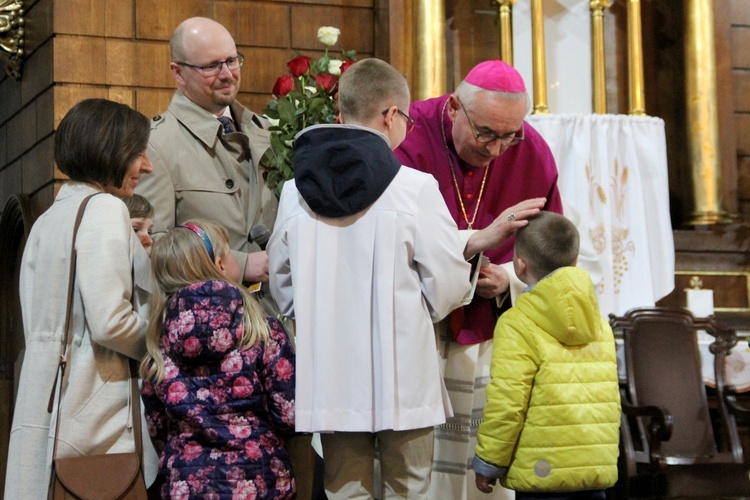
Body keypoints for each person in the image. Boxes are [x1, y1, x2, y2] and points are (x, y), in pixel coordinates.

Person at [267, 57, 538, 499]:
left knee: (344, 489)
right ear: (390, 114)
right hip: (403, 377)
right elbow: (447, 284)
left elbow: (283, 286)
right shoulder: (413, 187)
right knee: (409, 490)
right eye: (405, 121)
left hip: (331, 375)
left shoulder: (294, 191)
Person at [393, 58, 564, 499]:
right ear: (453, 108)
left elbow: (550, 249)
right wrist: (465, 257)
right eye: (485, 133)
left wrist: (508, 277)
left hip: (490, 334)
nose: (495, 149)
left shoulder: (534, 153)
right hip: (416, 329)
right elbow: (384, 240)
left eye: (509, 136)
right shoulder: (406, 138)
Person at [5, 98, 157, 498]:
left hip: (46, 395)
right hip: (92, 407)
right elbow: (111, 322)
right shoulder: (105, 209)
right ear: (111, 150)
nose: (147, 166)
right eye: (138, 153)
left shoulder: (49, 217)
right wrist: (161, 345)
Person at [141, 219, 296, 499]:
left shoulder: (158, 344)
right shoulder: (262, 332)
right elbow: (289, 415)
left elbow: (157, 425)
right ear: (222, 265)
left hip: (186, 485)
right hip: (261, 481)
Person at [473, 211, 620, 499]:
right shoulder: (600, 324)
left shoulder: (518, 322)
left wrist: (489, 461)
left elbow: (508, 401)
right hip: (594, 469)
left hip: (542, 472)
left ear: (519, 265)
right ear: (576, 262)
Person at [136, 16, 275, 286]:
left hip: (278, 313)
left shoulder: (268, 132)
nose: (227, 74)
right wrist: (241, 264)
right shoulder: (157, 145)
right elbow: (154, 246)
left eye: (232, 60)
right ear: (178, 72)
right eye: (211, 66)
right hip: (210, 318)